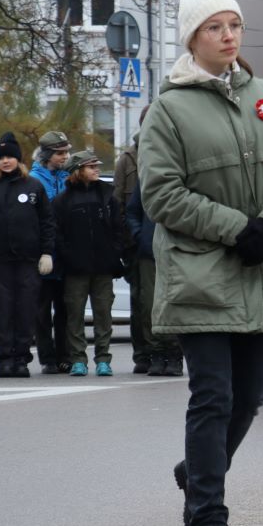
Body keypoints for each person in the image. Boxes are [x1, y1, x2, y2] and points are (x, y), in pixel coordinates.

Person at [138, 0, 263, 526]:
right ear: (193, 37)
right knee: (212, 395)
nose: (229, 35)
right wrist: (238, 228)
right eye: (215, 27)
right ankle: (209, 523)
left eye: (234, 24)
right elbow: (161, 194)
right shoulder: (169, 109)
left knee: (252, 393)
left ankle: (196, 471)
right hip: (202, 273)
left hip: (260, 266)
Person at [0, 132, 55, 378]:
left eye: (10, 157)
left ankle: (21, 358)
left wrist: (47, 253)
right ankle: (6, 358)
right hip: (0, 261)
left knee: (26, 310)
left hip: (28, 261)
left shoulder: (33, 187)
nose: (6, 161)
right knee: (3, 310)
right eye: (1, 158)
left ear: (18, 159)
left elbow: (47, 223)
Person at [54, 150, 126, 377]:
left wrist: (115, 253)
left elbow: (119, 229)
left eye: (97, 166)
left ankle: (103, 359)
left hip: (103, 267)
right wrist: (68, 257)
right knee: (74, 315)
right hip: (75, 269)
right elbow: (57, 235)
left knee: (103, 313)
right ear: (78, 171)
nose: (96, 170)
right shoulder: (62, 201)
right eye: (91, 166)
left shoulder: (108, 197)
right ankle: (78, 359)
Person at [126, 178, 184, 376]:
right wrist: (139, 236)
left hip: (178, 252)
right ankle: (156, 354)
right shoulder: (145, 180)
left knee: (175, 304)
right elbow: (132, 212)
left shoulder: (182, 176)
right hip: (149, 253)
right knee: (149, 305)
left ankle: (175, 354)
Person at [31, 130, 71, 374]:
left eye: (66, 152)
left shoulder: (68, 178)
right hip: (43, 253)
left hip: (65, 253)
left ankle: (65, 355)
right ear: (47, 155)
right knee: (42, 309)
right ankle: (47, 357)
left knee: (65, 309)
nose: (64, 157)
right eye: (59, 153)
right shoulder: (34, 180)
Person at [114, 106, 151, 373]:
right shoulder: (127, 159)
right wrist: (130, 240)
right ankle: (143, 355)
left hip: (162, 242)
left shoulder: (170, 153)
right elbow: (120, 205)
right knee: (140, 302)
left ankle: (167, 352)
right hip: (136, 244)